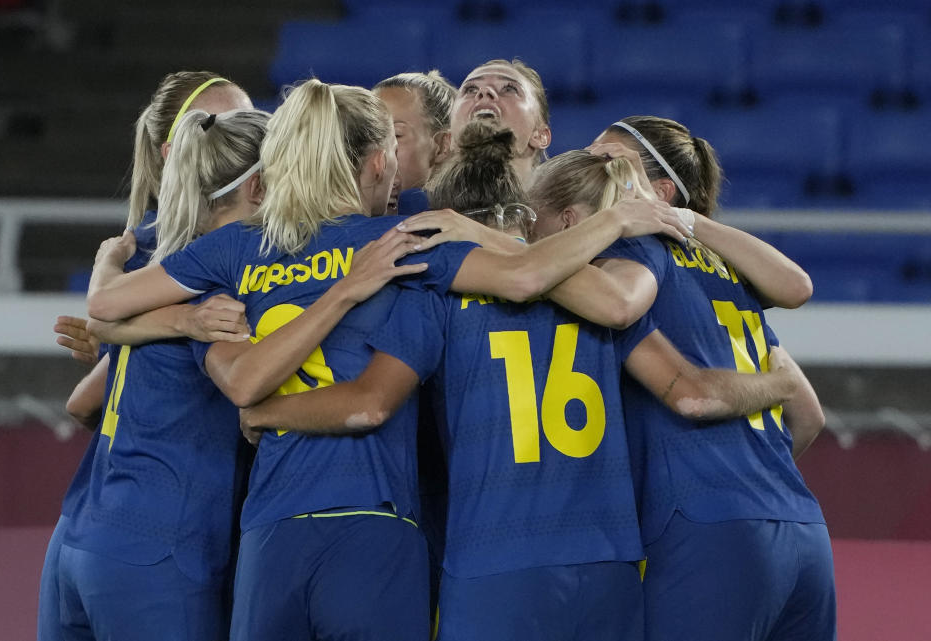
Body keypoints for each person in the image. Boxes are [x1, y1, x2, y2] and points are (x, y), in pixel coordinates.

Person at [84, 79, 692, 641]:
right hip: (373, 526)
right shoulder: (402, 245)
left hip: (270, 534)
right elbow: (529, 275)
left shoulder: (238, 247)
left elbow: (105, 307)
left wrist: (169, 308)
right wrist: (615, 219)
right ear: (379, 162)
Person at [235, 122, 803, 641]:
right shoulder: (601, 303)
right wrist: (779, 386)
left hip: (492, 560)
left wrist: (265, 412)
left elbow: (369, 402)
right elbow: (688, 387)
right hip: (608, 561)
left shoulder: (434, 290)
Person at [540, 117, 834, 641]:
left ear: (661, 192)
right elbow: (808, 416)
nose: (590, 167)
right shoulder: (725, 272)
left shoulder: (631, 255)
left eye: (611, 163)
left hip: (705, 529)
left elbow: (687, 390)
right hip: (803, 530)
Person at [39, 71, 254, 641]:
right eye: (221, 127)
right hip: (162, 550)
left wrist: (119, 341)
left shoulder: (141, 253)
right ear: (175, 150)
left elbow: (82, 404)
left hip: (79, 539)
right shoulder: (234, 260)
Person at [449, 58, 551, 187]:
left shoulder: (574, 205)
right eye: (471, 89)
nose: (485, 91)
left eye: (509, 89)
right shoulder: (419, 204)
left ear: (540, 135)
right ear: (449, 138)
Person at [373, 70, 455, 215]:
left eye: (395, 134)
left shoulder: (484, 225)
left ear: (442, 146)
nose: (372, 150)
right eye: (368, 136)